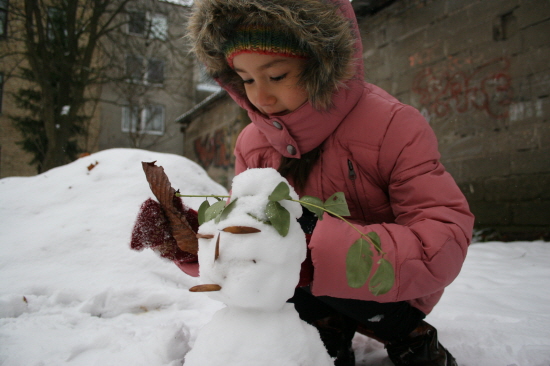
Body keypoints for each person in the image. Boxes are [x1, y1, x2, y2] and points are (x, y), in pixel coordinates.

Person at [131, 0, 475, 365]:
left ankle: (407, 335)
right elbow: (249, 247)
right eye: (246, 80)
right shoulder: (252, 142)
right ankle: (326, 328)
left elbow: (441, 239)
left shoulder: (393, 126)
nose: (260, 96)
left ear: (321, 65)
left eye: (276, 76)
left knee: (294, 234)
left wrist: (312, 249)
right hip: (303, 292)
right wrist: (194, 241)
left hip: (392, 290)